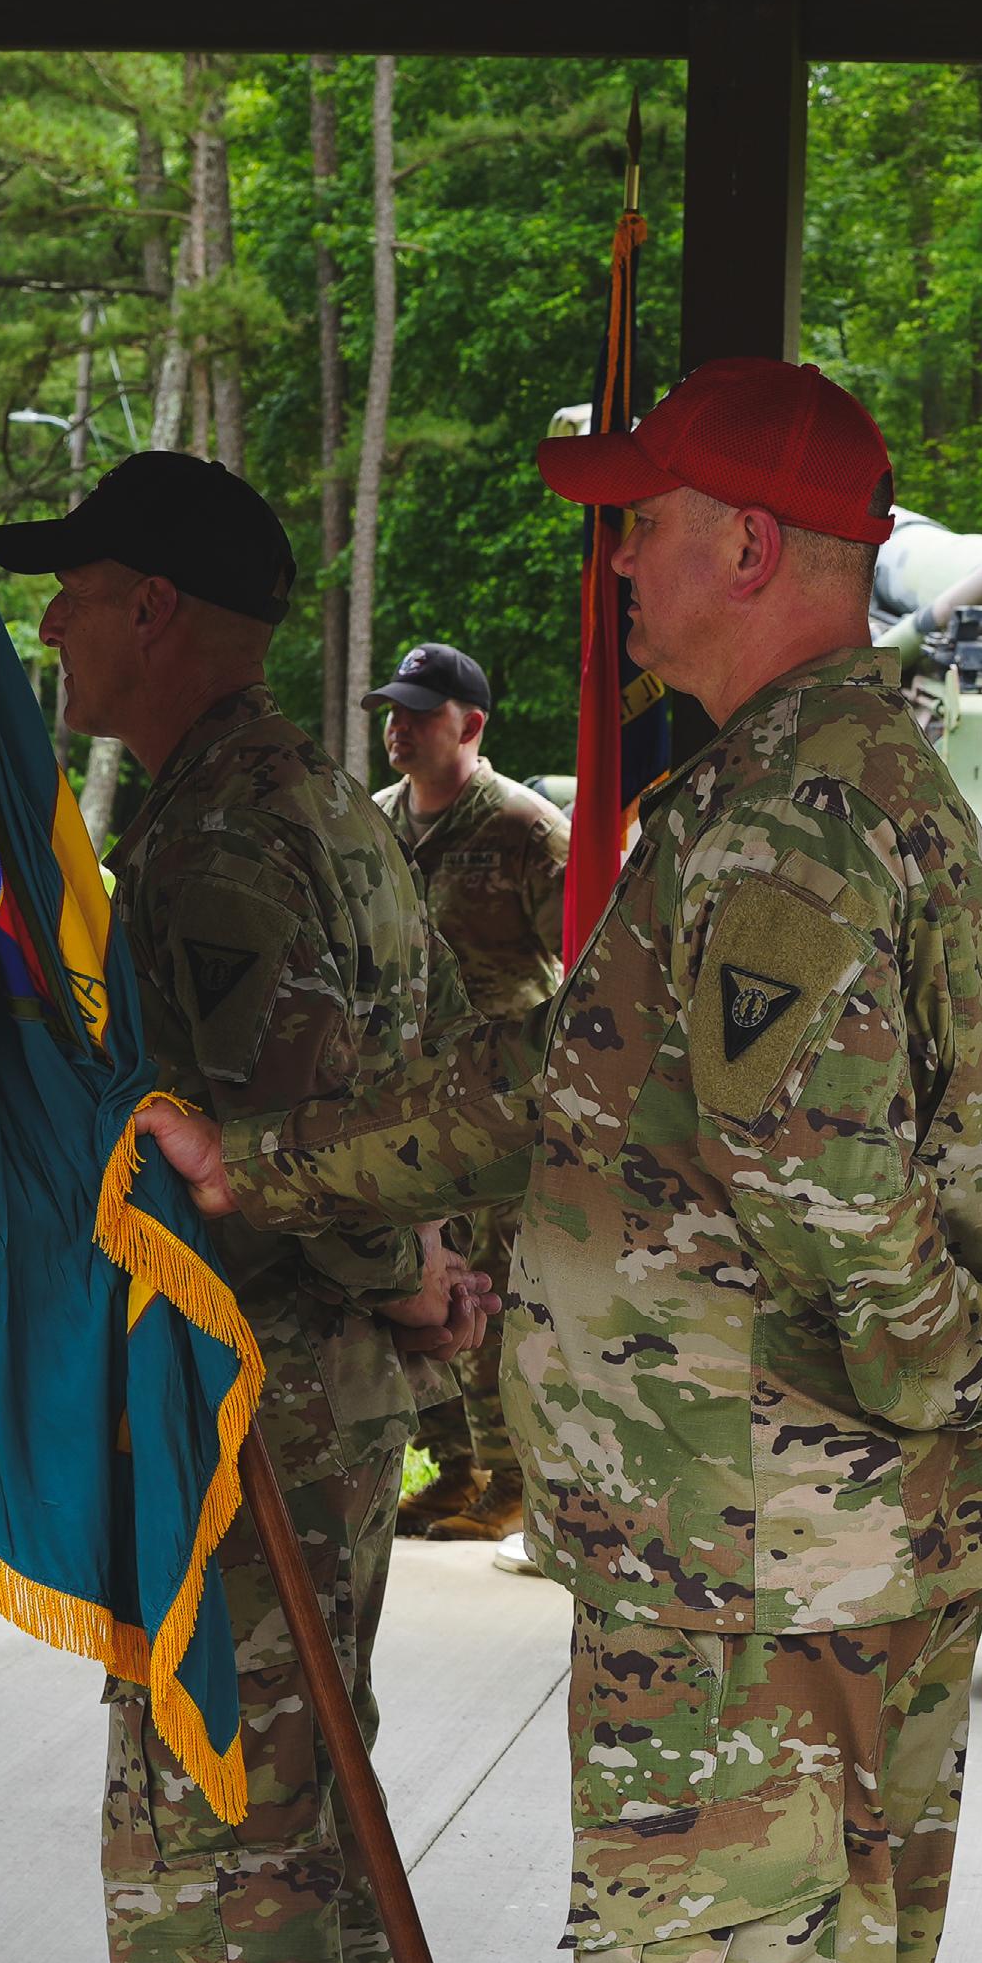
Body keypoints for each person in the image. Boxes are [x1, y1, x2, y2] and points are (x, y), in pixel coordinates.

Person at [142, 359, 982, 1963]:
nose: (615, 560)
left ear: (751, 544)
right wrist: (271, 1155)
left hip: (752, 1588)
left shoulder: (782, 829)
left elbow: (839, 1203)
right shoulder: (825, 786)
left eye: (641, 522)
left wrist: (951, 1372)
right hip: (822, 1572)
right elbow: (567, 1082)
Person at [0, 450, 489, 1963]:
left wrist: (394, 1265)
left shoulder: (217, 844)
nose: (49, 625)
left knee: (216, 1818)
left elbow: (273, 1136)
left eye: (77, 588)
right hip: (321, 1389)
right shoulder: (315, 803)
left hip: (247, 1406)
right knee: (311, 1787)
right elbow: (428, 1064)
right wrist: (422, 1276)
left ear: (158, 611)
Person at [368, 641, 569, 1543]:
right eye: (392, 712)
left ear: (471, 725)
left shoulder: (525, 829)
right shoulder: (374, 825)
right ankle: (453, 1466)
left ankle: (512, 1479)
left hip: (500, 1108)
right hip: (401, 1106)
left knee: (497, 1292)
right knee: (417, 1283)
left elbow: (582, 965)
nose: (399, 728)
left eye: (419, 713)